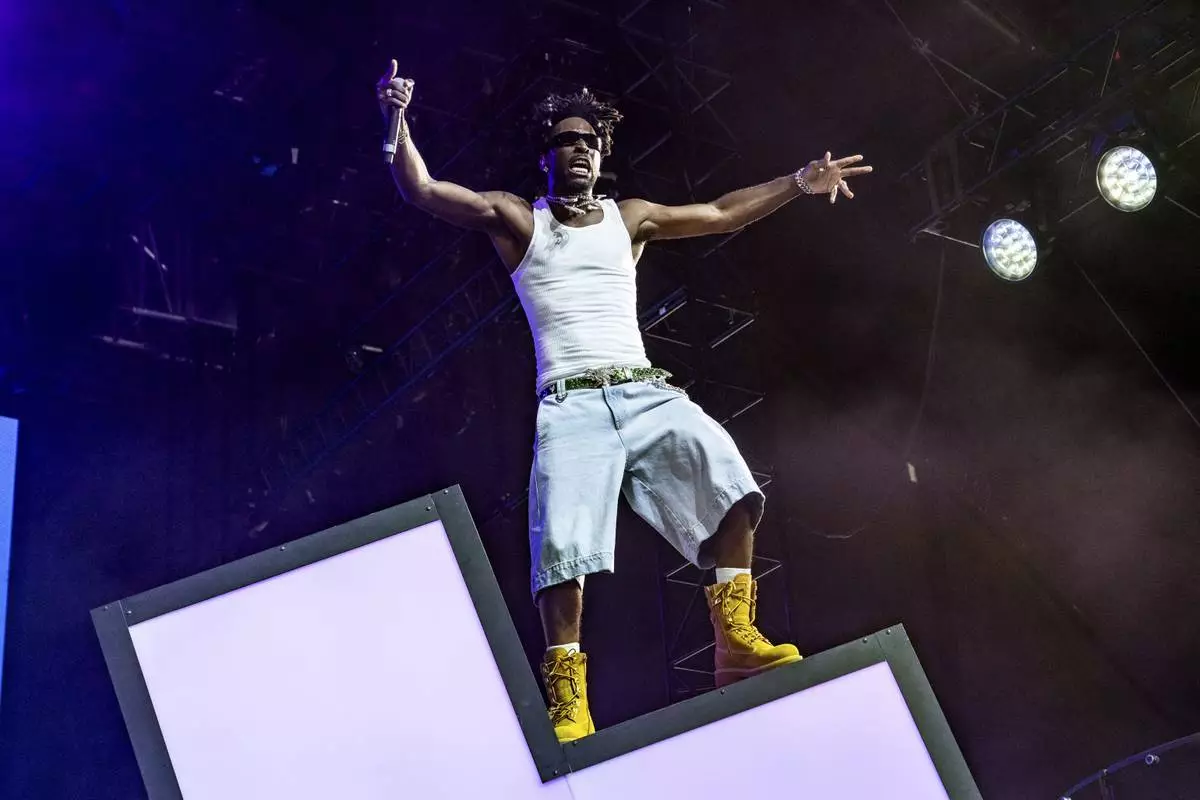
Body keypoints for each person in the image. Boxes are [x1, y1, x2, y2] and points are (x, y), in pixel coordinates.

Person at [376, 59, 873, 743]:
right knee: (562, 546)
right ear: (546, 155)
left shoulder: (628, 217)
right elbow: (425, 190)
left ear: (602, 153)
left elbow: (720, 214)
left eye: (590, 141)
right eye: (566, 141)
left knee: (729, 479)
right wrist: (396, 120)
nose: (579, 150)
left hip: (643, 391)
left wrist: (796, 182)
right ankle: (568, 701)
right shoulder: (519, 219)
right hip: (570, 404)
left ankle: (735, 643)